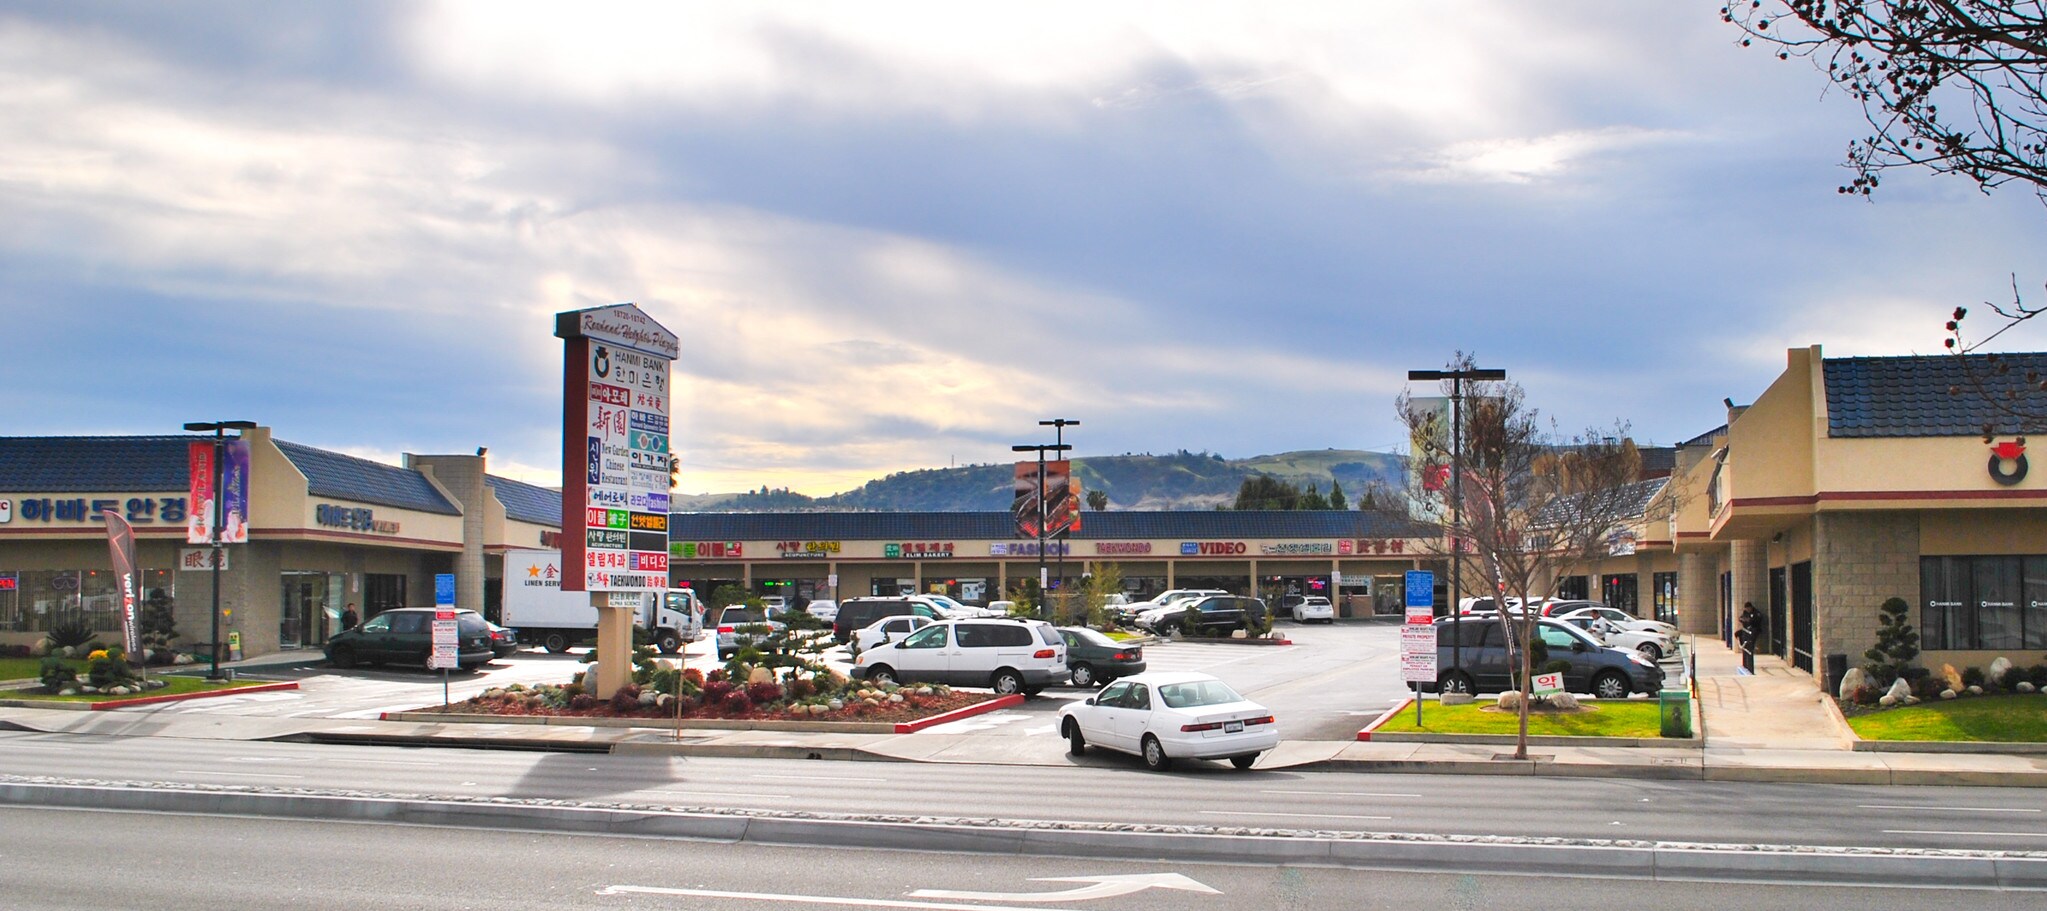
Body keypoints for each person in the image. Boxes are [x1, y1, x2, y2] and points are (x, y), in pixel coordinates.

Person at [1736, 601, 1761, 673]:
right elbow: (1741, 618)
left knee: (1751, 637)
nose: (1747, 610)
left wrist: (1748, 621)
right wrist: (1746, 620)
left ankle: (1750, 647)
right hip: (1746, 629)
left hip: (1754, 629)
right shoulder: (1745, 612)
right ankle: (1743, 644)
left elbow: (1755, 621)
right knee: (1738, 633)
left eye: (1748, 608)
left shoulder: (1756, 613)